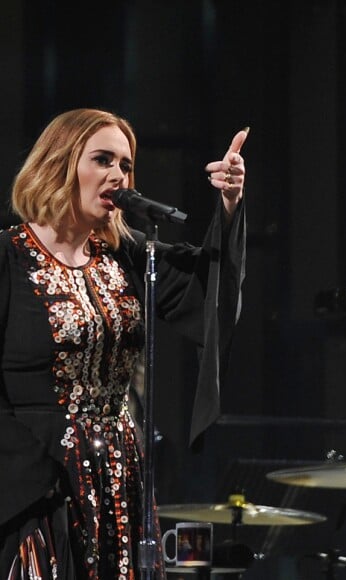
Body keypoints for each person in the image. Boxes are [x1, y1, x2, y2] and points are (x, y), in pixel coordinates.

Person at [0, 108, 248, 578]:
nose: (118, 175)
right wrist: (36, 480)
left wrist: (231, 205)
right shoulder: (8, 259)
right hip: (37, 484)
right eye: (102, 160)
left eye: (126, 165)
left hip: (118, 478)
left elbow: (208, 295)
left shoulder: (125, 254)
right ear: (60, 164)